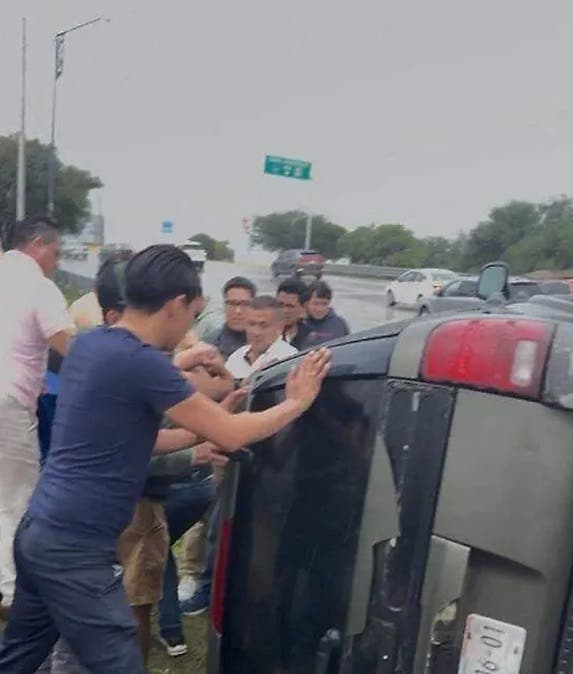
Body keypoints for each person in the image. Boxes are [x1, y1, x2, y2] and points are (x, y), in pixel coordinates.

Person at [0, 244, 332, 673]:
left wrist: (197, 430)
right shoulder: (143, 364)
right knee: (119, 663)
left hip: (38, 530)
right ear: (177, 304)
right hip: (74, 548)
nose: (191, 324)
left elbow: (132, 437)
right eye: (194, 313)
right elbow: (231, 432)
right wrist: (295, 403)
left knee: (20, 656)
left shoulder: (90, 345)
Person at [0, 218, 73, 617]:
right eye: (57, 253)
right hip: (9, 400)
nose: (57, 263)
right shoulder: (38, 286)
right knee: (16, 499)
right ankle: (12, 593)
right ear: (39, 245)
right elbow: (67, 344)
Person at [226, 296, 300, 381]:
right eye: (251, 324)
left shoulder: (289, 359)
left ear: (280, 327)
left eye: (263, 325)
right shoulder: (236, 357)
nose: (256, 332)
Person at [203, 276, 256, 358]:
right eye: (232, 304)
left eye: (244, 304)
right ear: (224, 306)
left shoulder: (264, 343)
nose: (238, 311)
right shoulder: (208, 346)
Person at [299, 280, 351, 348]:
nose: (320, 309)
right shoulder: (298, 324)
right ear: (307, 303)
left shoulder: (340, 324)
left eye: (324, 304)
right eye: (316, 303)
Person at [276, 277, 311, 348]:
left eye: (290, 306)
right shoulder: (263, 334)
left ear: (303, 307)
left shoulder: (310, 338)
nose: (284, 310)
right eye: (280, 305)